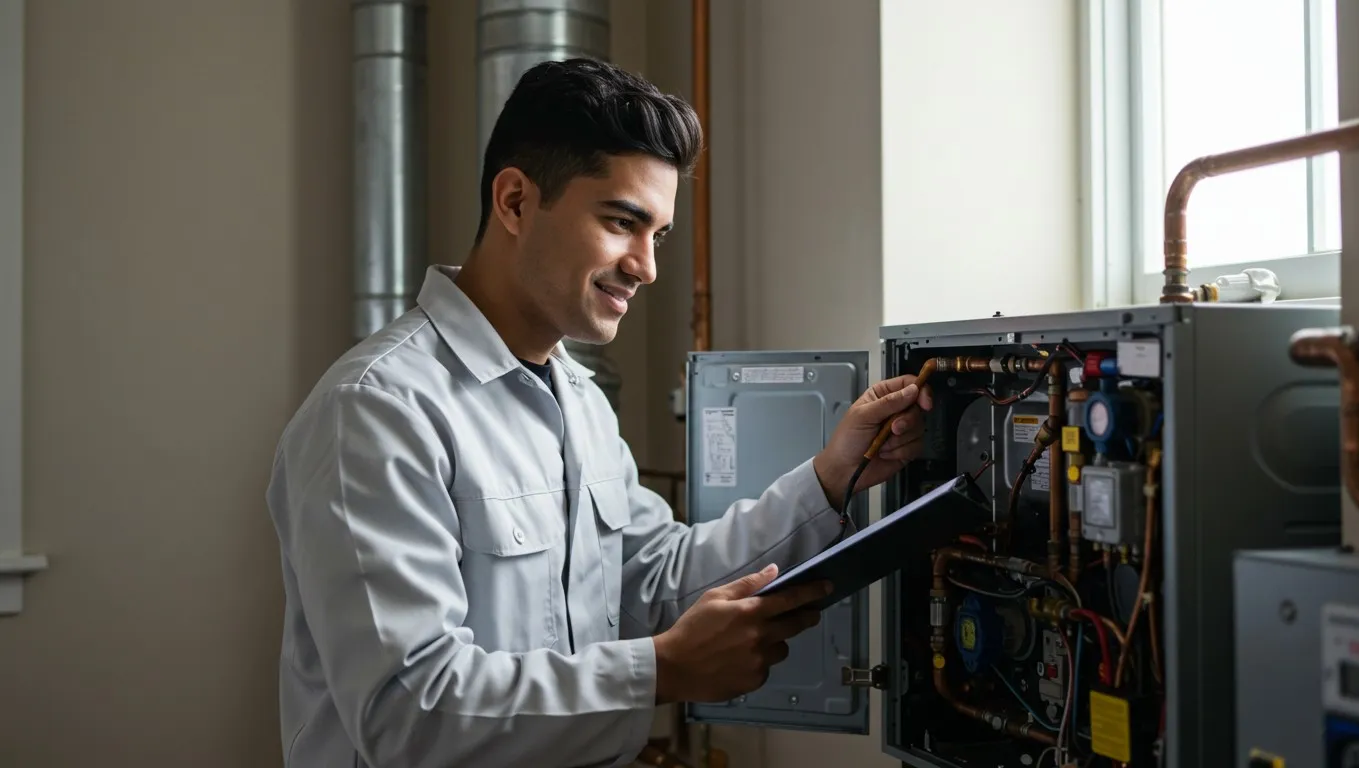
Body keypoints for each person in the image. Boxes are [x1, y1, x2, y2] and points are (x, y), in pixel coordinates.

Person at [266, 58, 933, 768]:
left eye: (659, 235)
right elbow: (409, 711)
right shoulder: (377, 410)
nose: (646, 265)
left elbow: (661, 580)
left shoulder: (578, 400)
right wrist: (661, 671)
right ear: (516, 202)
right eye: (623, 222)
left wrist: (834, 476)